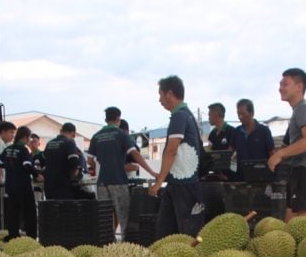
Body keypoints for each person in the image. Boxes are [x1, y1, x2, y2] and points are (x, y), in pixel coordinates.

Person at [88, 107, 157, 240]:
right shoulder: (121, 134)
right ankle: (126, 248)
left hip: (102, 183)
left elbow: (90, 161)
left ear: (105, 119)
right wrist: (152, 172)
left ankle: (106, 247)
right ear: (118, 119)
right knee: (124, 218)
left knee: (105, 220)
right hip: (118, 181)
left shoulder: (96, 136)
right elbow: (135, 154)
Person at [149, 75, 206, 237]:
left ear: (169, 93)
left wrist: (159, 181)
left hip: (185, 185)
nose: (159, 100)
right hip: (177, 183)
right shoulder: (185, 115)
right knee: (165, 232)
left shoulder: (180, 116)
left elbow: (171, 149)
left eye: (160, 94)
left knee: (188, 235)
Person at [269, 68, 306, 221]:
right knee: (292, 222)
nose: (280, 88)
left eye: (285, 84)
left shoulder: (303, 109)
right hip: (303, 170)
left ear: (299, 87)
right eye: (280, 84)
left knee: (303, 225)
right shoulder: (302, 110)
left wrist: (280, 154)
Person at [0, 125, 38, 240]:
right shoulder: (23, 149)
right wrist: (37, 174)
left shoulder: (8, 149)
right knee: (29, 212)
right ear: (25, 137)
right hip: (23, 186)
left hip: (10, 186)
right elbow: (27, 166)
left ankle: (13, 236)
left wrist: (9, 167)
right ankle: (31, 237)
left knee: (13, 212)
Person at [42, 123, 88, 200]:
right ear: (73, 134)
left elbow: (43, 159)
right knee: (65, 210)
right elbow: (74, 163)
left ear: (61, 131)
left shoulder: (50, 143)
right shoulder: (69, 143)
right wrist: (76, 174)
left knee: (51, 209)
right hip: (63, 185)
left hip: (48, 184)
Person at [234, 98, 275, 179]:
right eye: (238, 114)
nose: (240, 117)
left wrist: (273, 174)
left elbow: (272, 153)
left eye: (243, 114)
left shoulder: (264, 131)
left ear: (252, 113)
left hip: (261, 177)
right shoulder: (237, 131)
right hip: (241, 177)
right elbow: (230, 152)